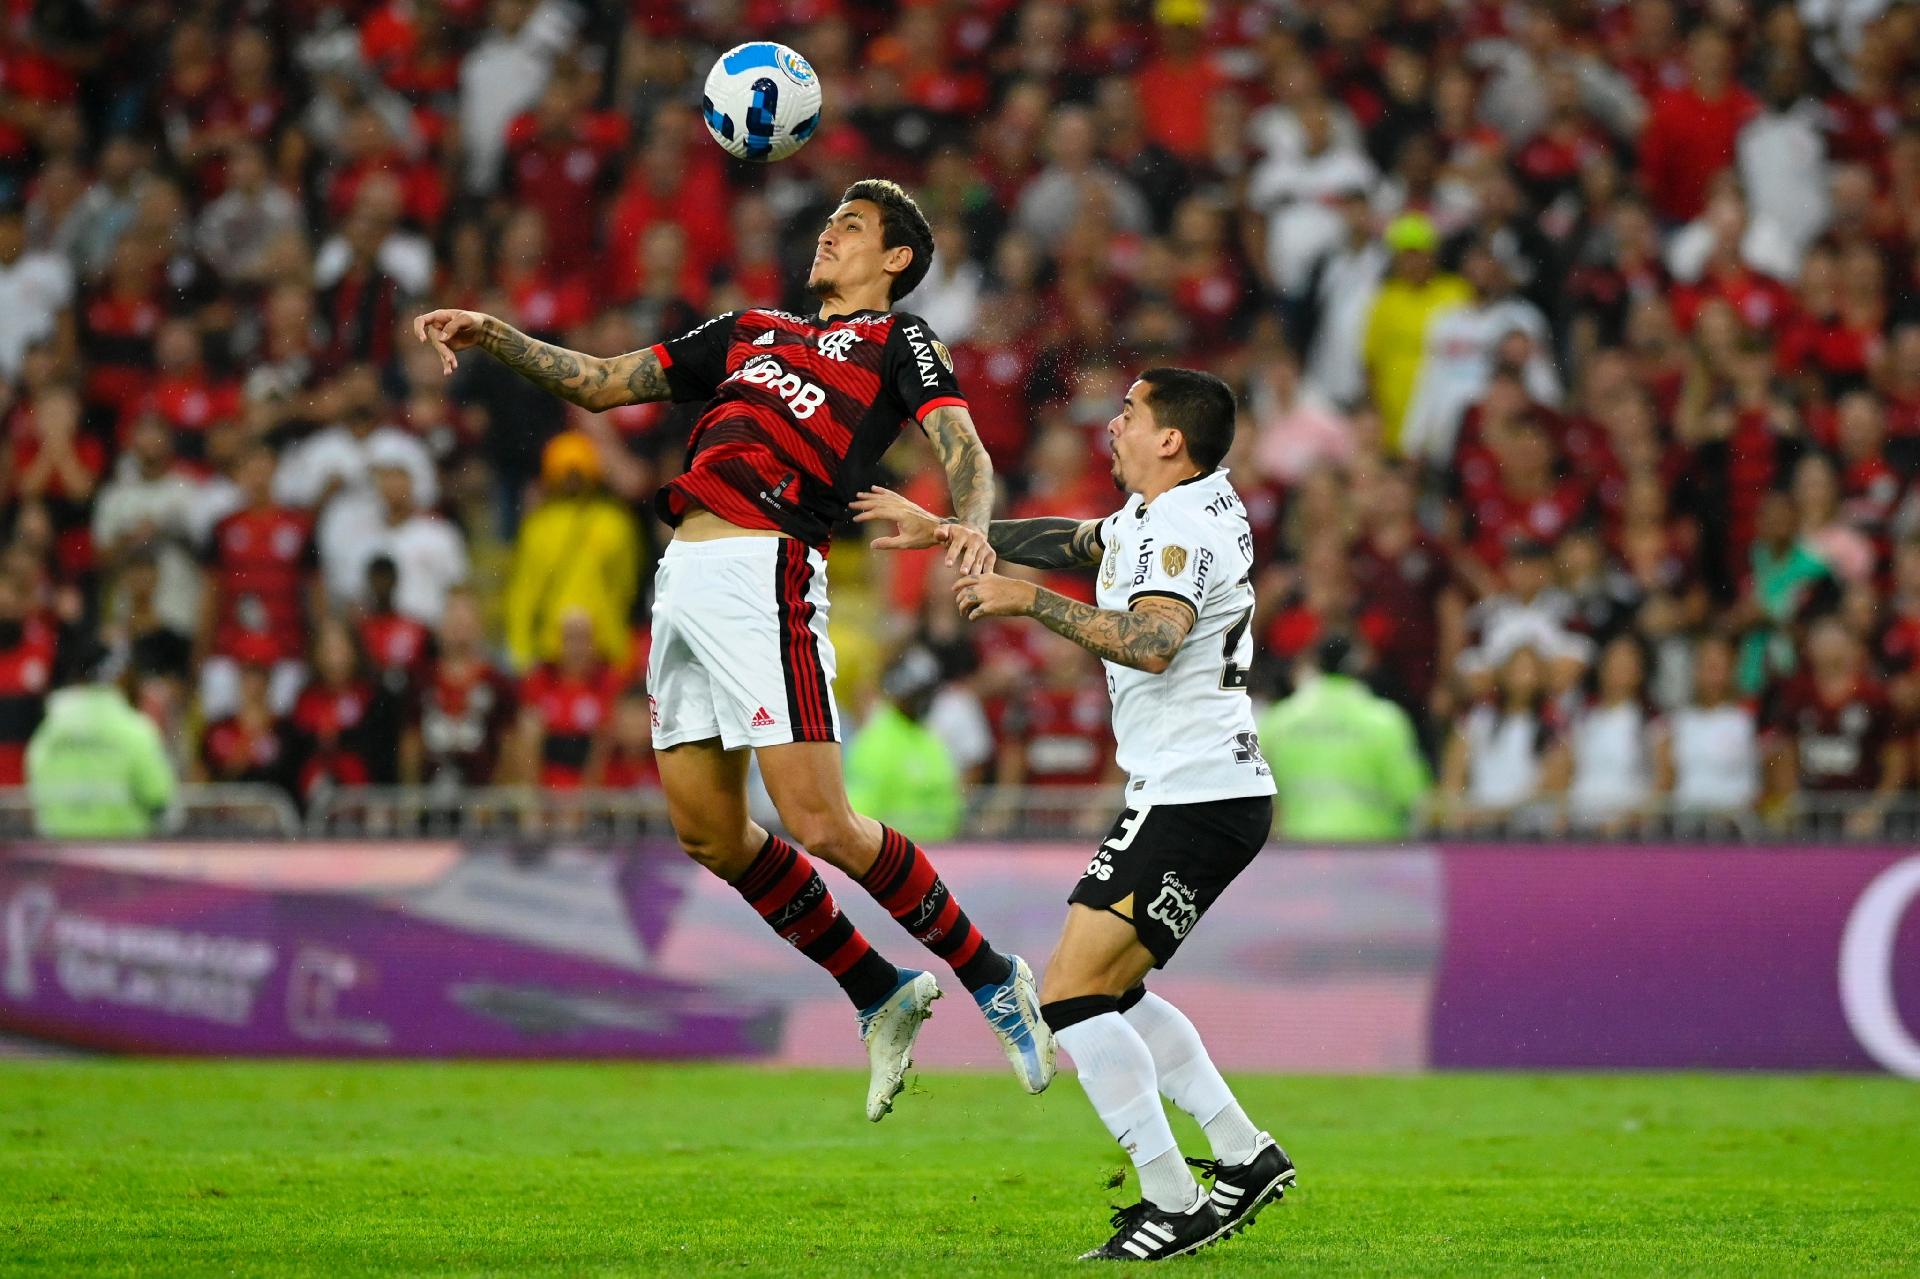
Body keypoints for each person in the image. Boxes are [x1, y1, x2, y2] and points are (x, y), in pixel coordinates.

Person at [413, 178, 1051, 1120]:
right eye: (831, 221)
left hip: (769, 568)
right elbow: (600, 383)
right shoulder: (750, 329)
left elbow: (961, 444)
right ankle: (879, 990)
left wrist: (973, 524)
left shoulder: (897, 340)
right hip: (683, 580)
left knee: (822, 822)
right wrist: (495, 333)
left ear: (897, 261)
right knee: (709, 831)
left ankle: (993, 974)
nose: (830, 235)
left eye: (854, 227)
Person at [855, 369, 1290, 1261]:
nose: (1114, 423)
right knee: (1111, 988)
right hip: (1207, 791)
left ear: (1171, 439)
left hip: (1195, 792)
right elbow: (1083, 542)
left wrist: (1028, 600)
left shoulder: (1178, 526)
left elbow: (1155, 641)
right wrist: (951, 530)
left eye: (1131, 412)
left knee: (1068, 995)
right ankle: (1244, 1155)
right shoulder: (1166, 514)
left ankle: (1176, 1201)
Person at [1258, 634, 1430, 841]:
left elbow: (1258, 799)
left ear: (1314, 664)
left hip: (1298, 849)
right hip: (1371, 850)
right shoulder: (1386, 722)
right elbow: (1412, 795)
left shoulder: (1278, 720)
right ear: (1361, 666)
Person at [503, 429, 639, 669]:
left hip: (601, 651)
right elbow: (523, 594)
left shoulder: (615, 523)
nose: (572, 479)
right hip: (554, 652)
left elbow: (624, 589)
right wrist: (521, 651)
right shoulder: (538, 526)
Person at [26, 644, 176, 838]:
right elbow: (160, 799)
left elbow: (35, 791)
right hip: (121, 857)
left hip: (59, 857)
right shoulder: (134, 731)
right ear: (119, 678)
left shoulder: (48, 732)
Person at [844, 646, 965, 843]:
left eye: (927, 693)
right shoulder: (874, 743)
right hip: (894, 855)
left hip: (944, 849)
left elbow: (951, 801)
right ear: (899, 693)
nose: (923, 701)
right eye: (917, 694)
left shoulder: (929, 738)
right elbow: (860, 816)